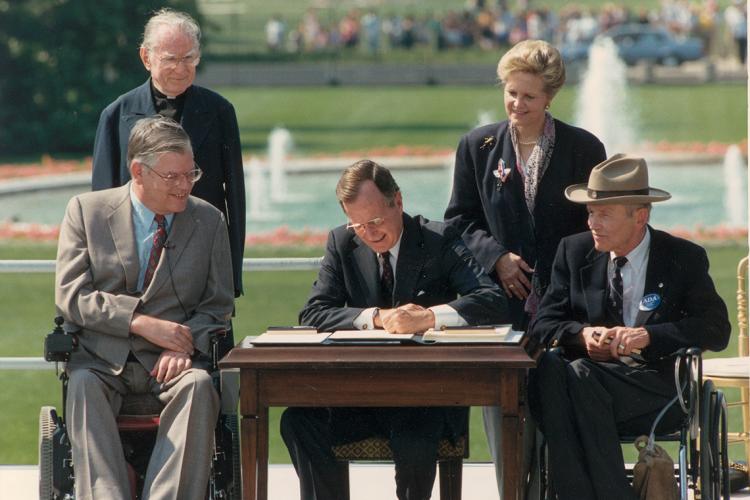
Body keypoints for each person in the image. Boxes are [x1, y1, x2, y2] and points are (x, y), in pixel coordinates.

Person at [281, 159, 508, 500]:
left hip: (426, 397)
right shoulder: (341, 242)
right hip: (360, 395)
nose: (368, 233)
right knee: (298, 421)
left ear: (398, 202)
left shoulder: (438, 238)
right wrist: (375, 317)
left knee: (416, 433)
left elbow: (490, 299)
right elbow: (314, 312)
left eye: (375, 221)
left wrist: (429, 318)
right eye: (357, 224)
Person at [443, 38, 606, 495]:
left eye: (528, 96)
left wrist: (562, 276)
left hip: (566, 309)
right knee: (506, 423)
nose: (517, 103)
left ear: (550, 97)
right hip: (502, 311)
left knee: (561, 417)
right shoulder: (478, 146)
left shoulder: (583, 147)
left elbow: (597, 224)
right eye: (510, 92)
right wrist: (496, 257)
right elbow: (459, 219)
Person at [529, 154, 731, 500]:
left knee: (573, 376)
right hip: (588, 382)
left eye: (604, 213)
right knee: (554, 368)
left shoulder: (683, 257)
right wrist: (583, 334)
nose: (592, 222)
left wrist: (649, 335)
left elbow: (716, 328)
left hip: (653, 387)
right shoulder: (573, 252)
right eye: (591, 212)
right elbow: (543, 324)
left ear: (640, 215)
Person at [56, 116, 235, 500]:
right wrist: (139, 323)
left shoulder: (209, 220)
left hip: (175, 364)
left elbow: (217, 306)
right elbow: (71, 296)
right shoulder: (86, 212)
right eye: (173, 177)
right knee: (83, 386)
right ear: (138, 171)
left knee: (200, 386)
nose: (185, 185)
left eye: (191, 174)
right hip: (102, 361)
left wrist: (182, 345)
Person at [91, 8, 245, 298]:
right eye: (170, 59)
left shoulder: (220, 111)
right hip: (133, 271)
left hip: (201, 266)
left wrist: (231, 277)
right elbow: (102, 204)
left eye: (189, 58)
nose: (181, 68)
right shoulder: (115, 115)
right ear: (146, 58)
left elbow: (235, 200)